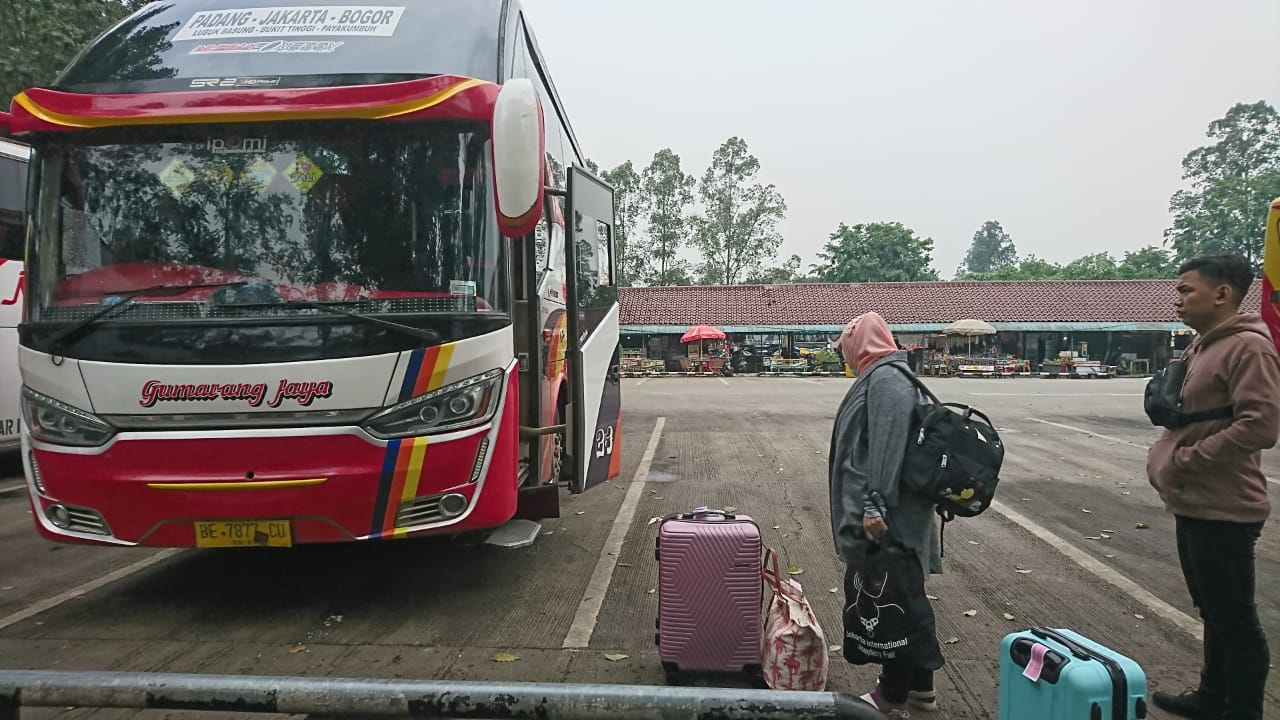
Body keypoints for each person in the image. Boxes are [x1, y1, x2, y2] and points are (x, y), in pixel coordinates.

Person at [1147, 254, 1280, 720]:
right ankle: (1213, 695)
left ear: (1222, 294)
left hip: (1225, 504)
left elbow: (1261, 425)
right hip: (1193, 500)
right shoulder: (1203, 346)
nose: (1177, 298)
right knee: (1213, 610)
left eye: (1186, 290)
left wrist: (1187, 460)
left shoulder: (1249, 348)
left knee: (1237, 621)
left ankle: (1241, 711)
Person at [829, 311, 943, 715]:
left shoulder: (888, 380)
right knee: (907, 596)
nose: (843, 350)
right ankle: (921, 689)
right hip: (891, 514)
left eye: (846, 342)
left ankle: (891, 693)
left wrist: (874, 505)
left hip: (891, 517)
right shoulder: (879, 375)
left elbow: (887, 446)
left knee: (898, 605)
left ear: (860, 342)